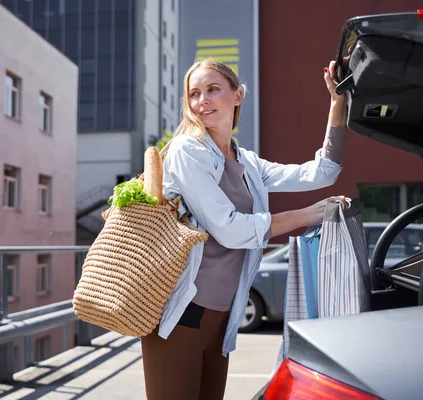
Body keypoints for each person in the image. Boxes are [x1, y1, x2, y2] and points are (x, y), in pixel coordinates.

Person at [140, 57, 348, 400]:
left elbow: (322, 173)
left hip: (224, 315)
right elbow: (230, 229)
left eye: (212, 90)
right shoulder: (187, 151)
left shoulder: (247, 161)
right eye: (194, 94)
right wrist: (308, 215)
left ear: (237, 97)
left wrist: (337, 104)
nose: (201, 100)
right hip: (179, 314)